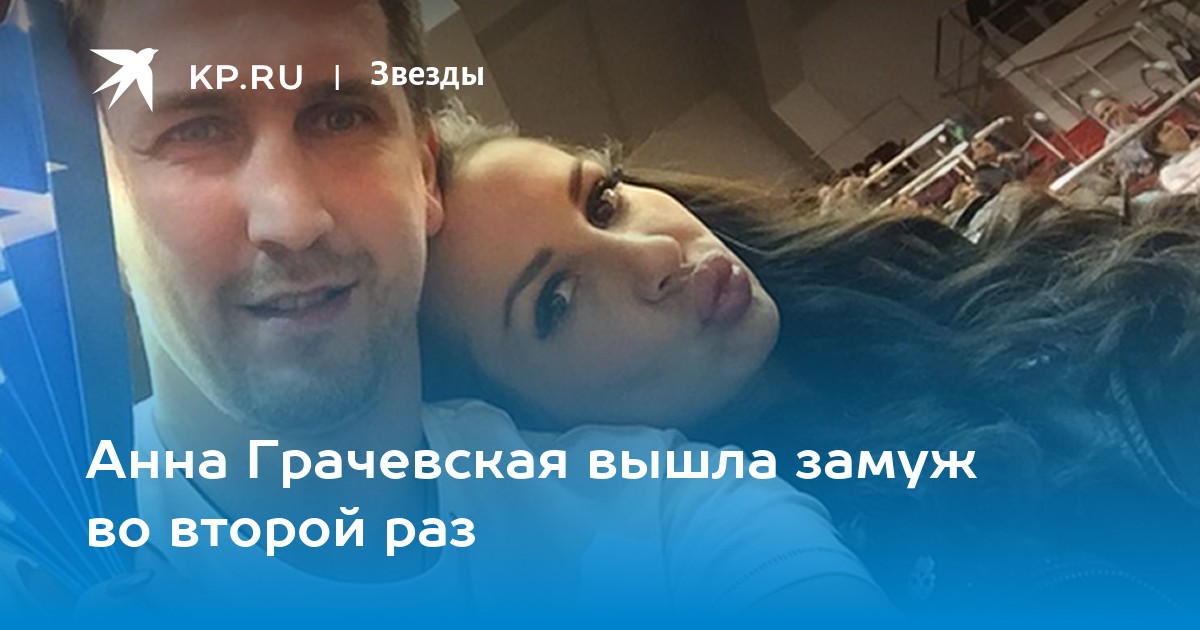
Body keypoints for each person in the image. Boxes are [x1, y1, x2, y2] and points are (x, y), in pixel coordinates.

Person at [5, 0, 890, 621]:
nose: (292, 218)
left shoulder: (669, 511)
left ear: (424, 175)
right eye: (194, 131)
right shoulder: (28, 553)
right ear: (92, 214)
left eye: (341, 117)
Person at [421, 106, 1200, 616]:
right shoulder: (798, 576)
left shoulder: (963, 265)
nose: (654, 253)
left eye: (604, 202)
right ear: (533, 431)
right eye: (556, 301)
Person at [1143, 118, 1200, 194]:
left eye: (1175, 125)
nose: (1177, 128)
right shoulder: (1169, 172)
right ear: (1158, 149)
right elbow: (1191, 192)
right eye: (1168, 130)